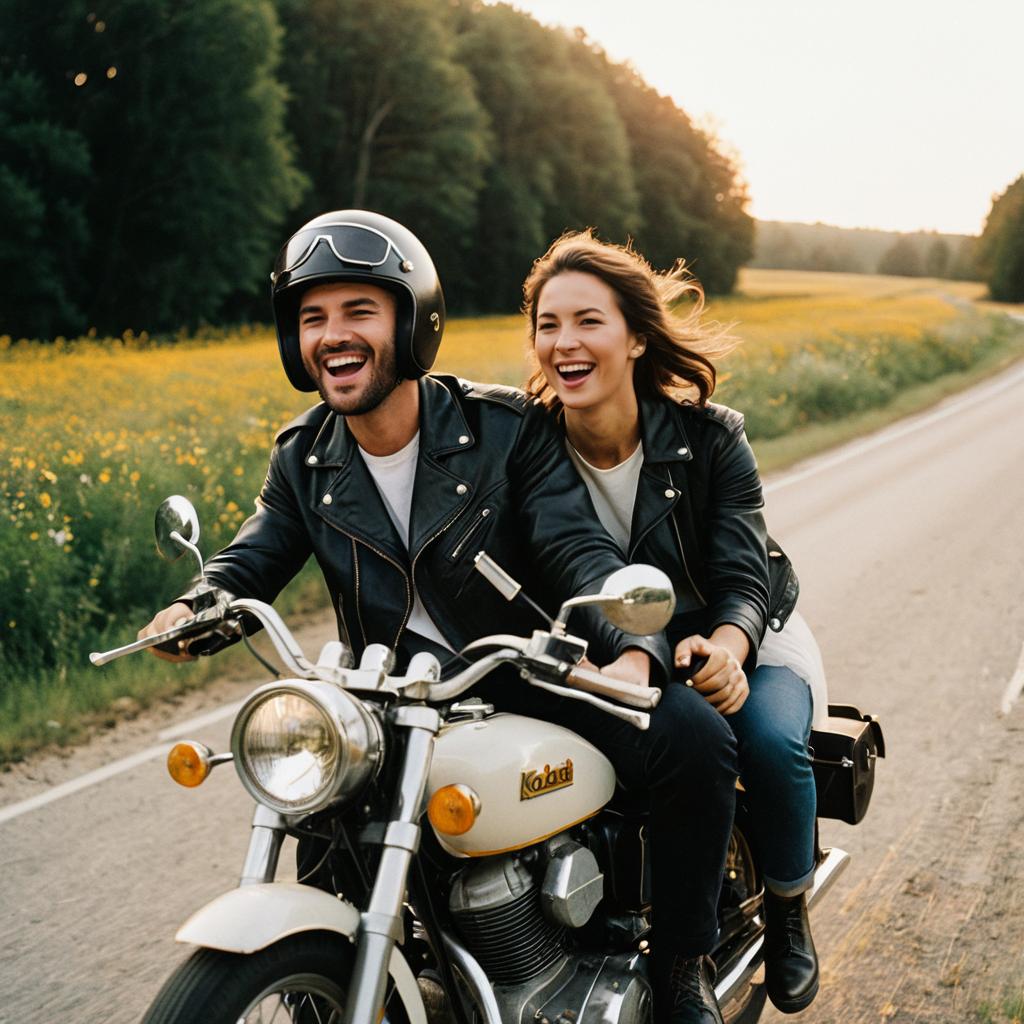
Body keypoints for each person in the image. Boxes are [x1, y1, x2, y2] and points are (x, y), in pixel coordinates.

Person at [138, 210, 738, 1024]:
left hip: (518, 674)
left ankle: (679, 963)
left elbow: (575, 546)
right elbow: (254, 555)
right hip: (386, 702)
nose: (332, 336)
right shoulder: (304, 457)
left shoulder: (502, 433)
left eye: (359, 312)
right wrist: (194, 605)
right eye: (313, 318)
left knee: (694, 740)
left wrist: (631, 645)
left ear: (412, 322)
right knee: (320, 812)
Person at [522, 230, 829, 1016]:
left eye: (588, 321)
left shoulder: (712, 436)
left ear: (634, 336)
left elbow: (743, 573)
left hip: (745, 628)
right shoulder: (530, 445)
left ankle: (788, 908)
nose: (565, 343)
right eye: (548, 324)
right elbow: (560, 555)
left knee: (762, 739)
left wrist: (728, 649)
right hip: (623, 645)